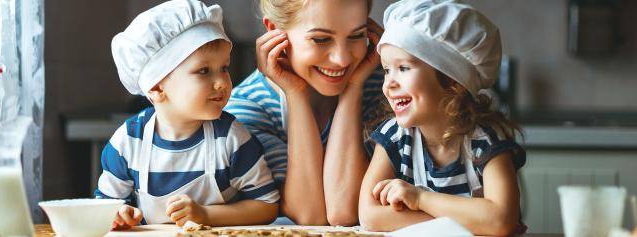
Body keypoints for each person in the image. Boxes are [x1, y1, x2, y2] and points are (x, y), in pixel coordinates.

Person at [95, 0, 279, 228]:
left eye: (224, 68)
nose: (222, 82)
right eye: (204, 71)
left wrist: (206, 215)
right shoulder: (128, 142)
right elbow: (105, 208)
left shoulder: (231, 138)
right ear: (156, 87)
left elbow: (267, 204)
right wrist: (119, 214)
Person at [359, 0, 527, 235]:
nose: (389, 84)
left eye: (404, 68)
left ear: (452, 81)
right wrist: (474, 219)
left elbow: (500, 220)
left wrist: (419, 199)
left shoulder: (485, 140)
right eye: (387, 70)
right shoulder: (395, 136)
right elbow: (370, 215)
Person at [224, 0, 385, 225]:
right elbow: (311, 216)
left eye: (356, 35)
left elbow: (345, 210)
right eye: (321, 39)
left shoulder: (387, 90)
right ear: (274, 31)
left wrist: (353, 91)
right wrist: (295, 94)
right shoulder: (246, 110)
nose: (343, 59)